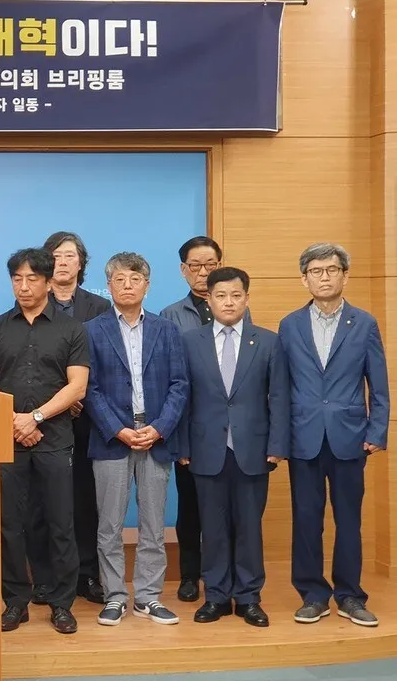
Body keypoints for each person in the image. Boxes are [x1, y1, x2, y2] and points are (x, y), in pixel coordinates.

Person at [0, 248, 90, 635]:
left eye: (32, 279)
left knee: (60, 524)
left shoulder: (71, 329)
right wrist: (12, 421)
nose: (24, 287)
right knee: (9, 525)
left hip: (55, 440)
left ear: (47, 281)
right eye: (17, 279)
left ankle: (60, 604)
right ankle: (15, 603)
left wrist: (35, 417)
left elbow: (77, 386)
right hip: (6, 441)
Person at [279, 243, 389, 627]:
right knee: (306, 520)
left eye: (331, 270)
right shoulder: (290, 324)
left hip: (350, 438)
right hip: (303, 437)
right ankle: (313, 594)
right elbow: (281, 387)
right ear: (304, 278)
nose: (323, 277)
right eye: (315, 271)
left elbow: (379, 383)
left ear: (345, 274)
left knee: (349, 520)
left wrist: (377, 430)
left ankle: (350, 596)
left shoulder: (364, 323)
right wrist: (279, 440)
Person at [178, 267, 289, 628]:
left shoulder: (268, 342)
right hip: (205, 448)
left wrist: (277, 444)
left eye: (236, 295)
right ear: (208, 300)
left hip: (253, 450)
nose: (229, 302)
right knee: (212, 527)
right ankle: (216, 596)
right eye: (221, 296)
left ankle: (249, 597)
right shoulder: (191, 341)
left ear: (246, 298)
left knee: (249, 528)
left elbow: (280, 398)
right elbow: (183, 397)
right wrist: (181, 444)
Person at [84, 252, 188, 627]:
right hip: (112, 438)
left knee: (152, 522)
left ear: (147, 284)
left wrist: (159, 428)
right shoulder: (91, 330)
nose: (127, 286)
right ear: (108, 285)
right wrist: (119, 429)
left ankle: (147, 596)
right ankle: (114, 596)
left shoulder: (167, 329)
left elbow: (180, 385)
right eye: (119, 280)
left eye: (135, 279)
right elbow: (89, 389)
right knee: (109, 524)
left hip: (155, 436)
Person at [160, 236, 246, 603]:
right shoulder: (169, 315)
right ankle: (190, 575)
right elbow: (168, 381)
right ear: (183, 271)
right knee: (191, 508)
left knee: (230, 510)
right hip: (191, 428)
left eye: (210, 264)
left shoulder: (238, 308)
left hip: (232, 431)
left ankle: (227, 578)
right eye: (195, 266)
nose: (203, 272)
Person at [27, 231, 110, 607]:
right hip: (41, 419)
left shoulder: (99, 308)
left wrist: (80, 398)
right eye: (56, 255)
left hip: (88, 417)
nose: (63, 262)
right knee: (42, 502)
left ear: (81, 263)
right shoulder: (32, 306)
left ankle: (87, 575)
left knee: (84, 500)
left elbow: (109, 365)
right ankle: (44, 579)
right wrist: (55, 403)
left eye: (70, 256)